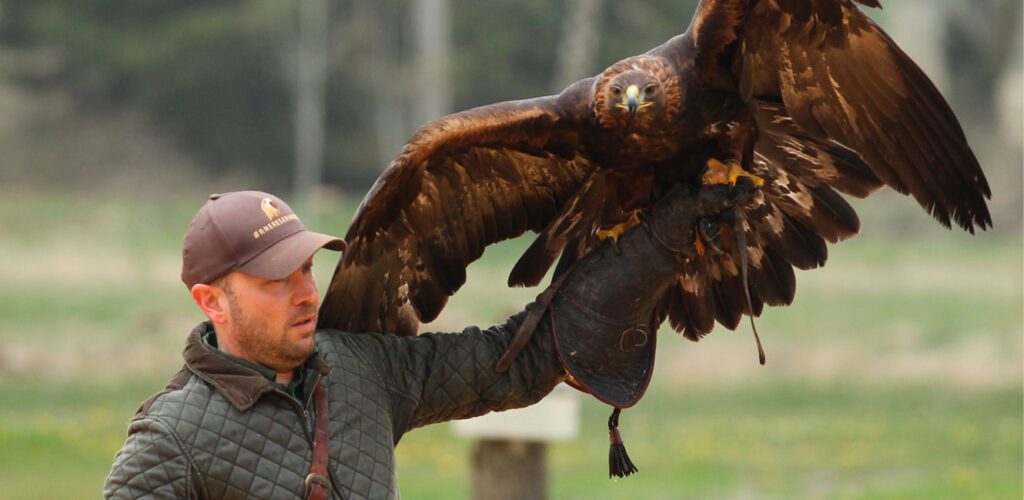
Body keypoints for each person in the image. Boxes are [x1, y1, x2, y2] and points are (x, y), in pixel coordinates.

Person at [104, 184, 747, 499]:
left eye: (306, 267)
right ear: (211, 300)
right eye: (276, 280)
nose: (306, 292)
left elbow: (510, 364)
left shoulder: (359, 368)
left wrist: (653, 250)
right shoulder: (171, 440)